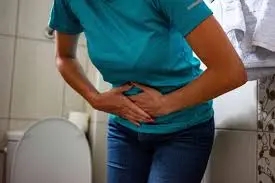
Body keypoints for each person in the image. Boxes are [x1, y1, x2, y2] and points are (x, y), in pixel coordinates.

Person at [48, 0, 247, 182]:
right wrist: (94, 98)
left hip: (183, 130)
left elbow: (231, 71)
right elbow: (64, 57)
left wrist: (166, 104)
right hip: (124, 129)